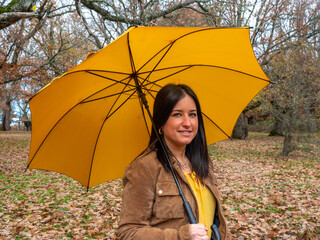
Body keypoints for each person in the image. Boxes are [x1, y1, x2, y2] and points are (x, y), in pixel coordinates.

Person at [117, 84, 230, 240]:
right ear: (161, 123)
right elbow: (128, 232)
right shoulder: (145, 167)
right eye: (177, 114)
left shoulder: (202, 162)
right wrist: (180, 236)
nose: (187, 123)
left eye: (192, 114)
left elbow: (215, 221)